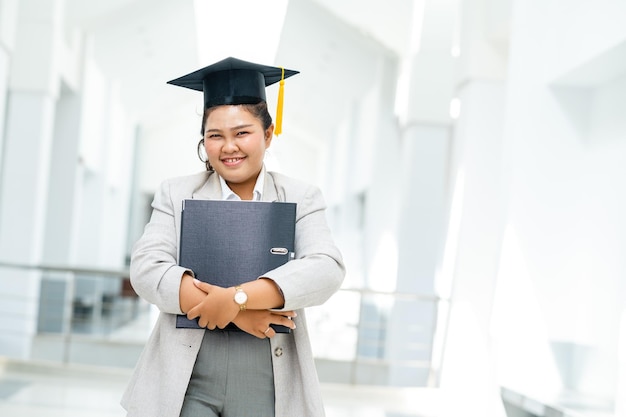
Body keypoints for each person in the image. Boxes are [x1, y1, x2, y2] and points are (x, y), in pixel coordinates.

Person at [121, 57, 346, 417]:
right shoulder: (176, 194)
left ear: (268, 133)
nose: (229, 147)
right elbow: (147, 269)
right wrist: (235, 312)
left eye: (242, 132)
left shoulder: (300, 196)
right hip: (187, 377)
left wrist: (239, 298)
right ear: (204, 140)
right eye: (215, 136)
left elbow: (326, 268)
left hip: (267, 379)